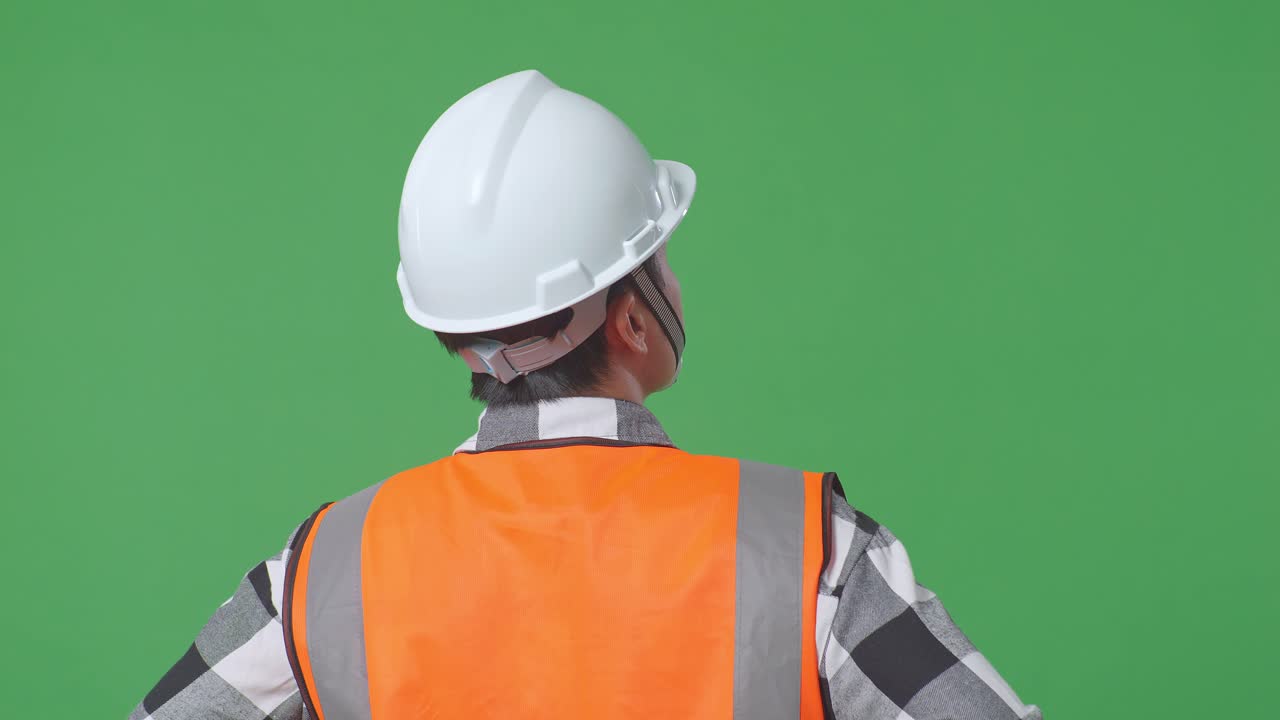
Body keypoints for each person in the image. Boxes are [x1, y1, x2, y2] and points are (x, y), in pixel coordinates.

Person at [129, 69, 1041, 720]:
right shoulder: (805, 551)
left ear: (454, 333)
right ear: (632, 320)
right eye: (662, 264)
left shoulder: (324, 573)